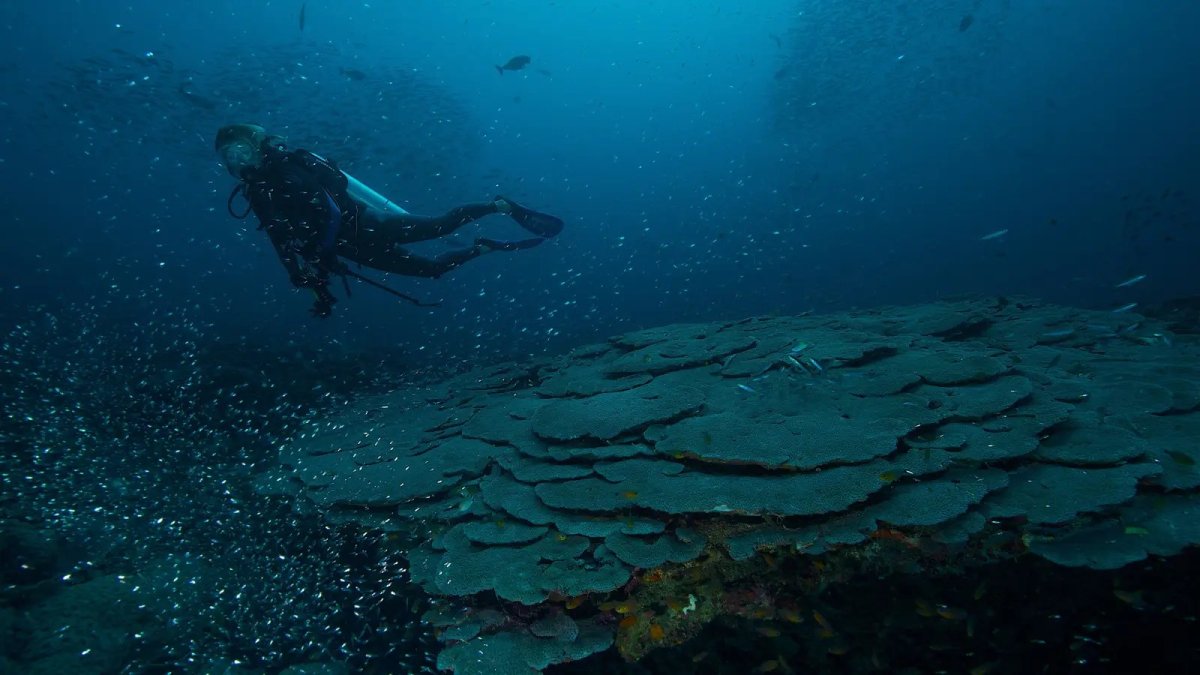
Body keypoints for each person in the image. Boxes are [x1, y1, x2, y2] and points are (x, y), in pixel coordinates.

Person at [214, 123, 564, 317]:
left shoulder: (293, 161)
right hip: (350, 249)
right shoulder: (257, 193)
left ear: (256, 144)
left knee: (440, 225)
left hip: (365, 224)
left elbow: (337, 183)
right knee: (431, 270)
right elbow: (278, 237)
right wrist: (301, 276)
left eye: (240, 150)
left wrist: (301, 178)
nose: (237, 160)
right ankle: (482, 247)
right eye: (229, 157)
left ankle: (499, 205)